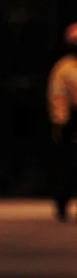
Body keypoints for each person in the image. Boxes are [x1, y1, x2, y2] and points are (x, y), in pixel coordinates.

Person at [48, 23, 77, 220]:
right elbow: (58, 95)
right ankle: (62, 202)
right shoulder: (64, 68)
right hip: (71, 121)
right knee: (69, 164)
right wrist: (61, 121)